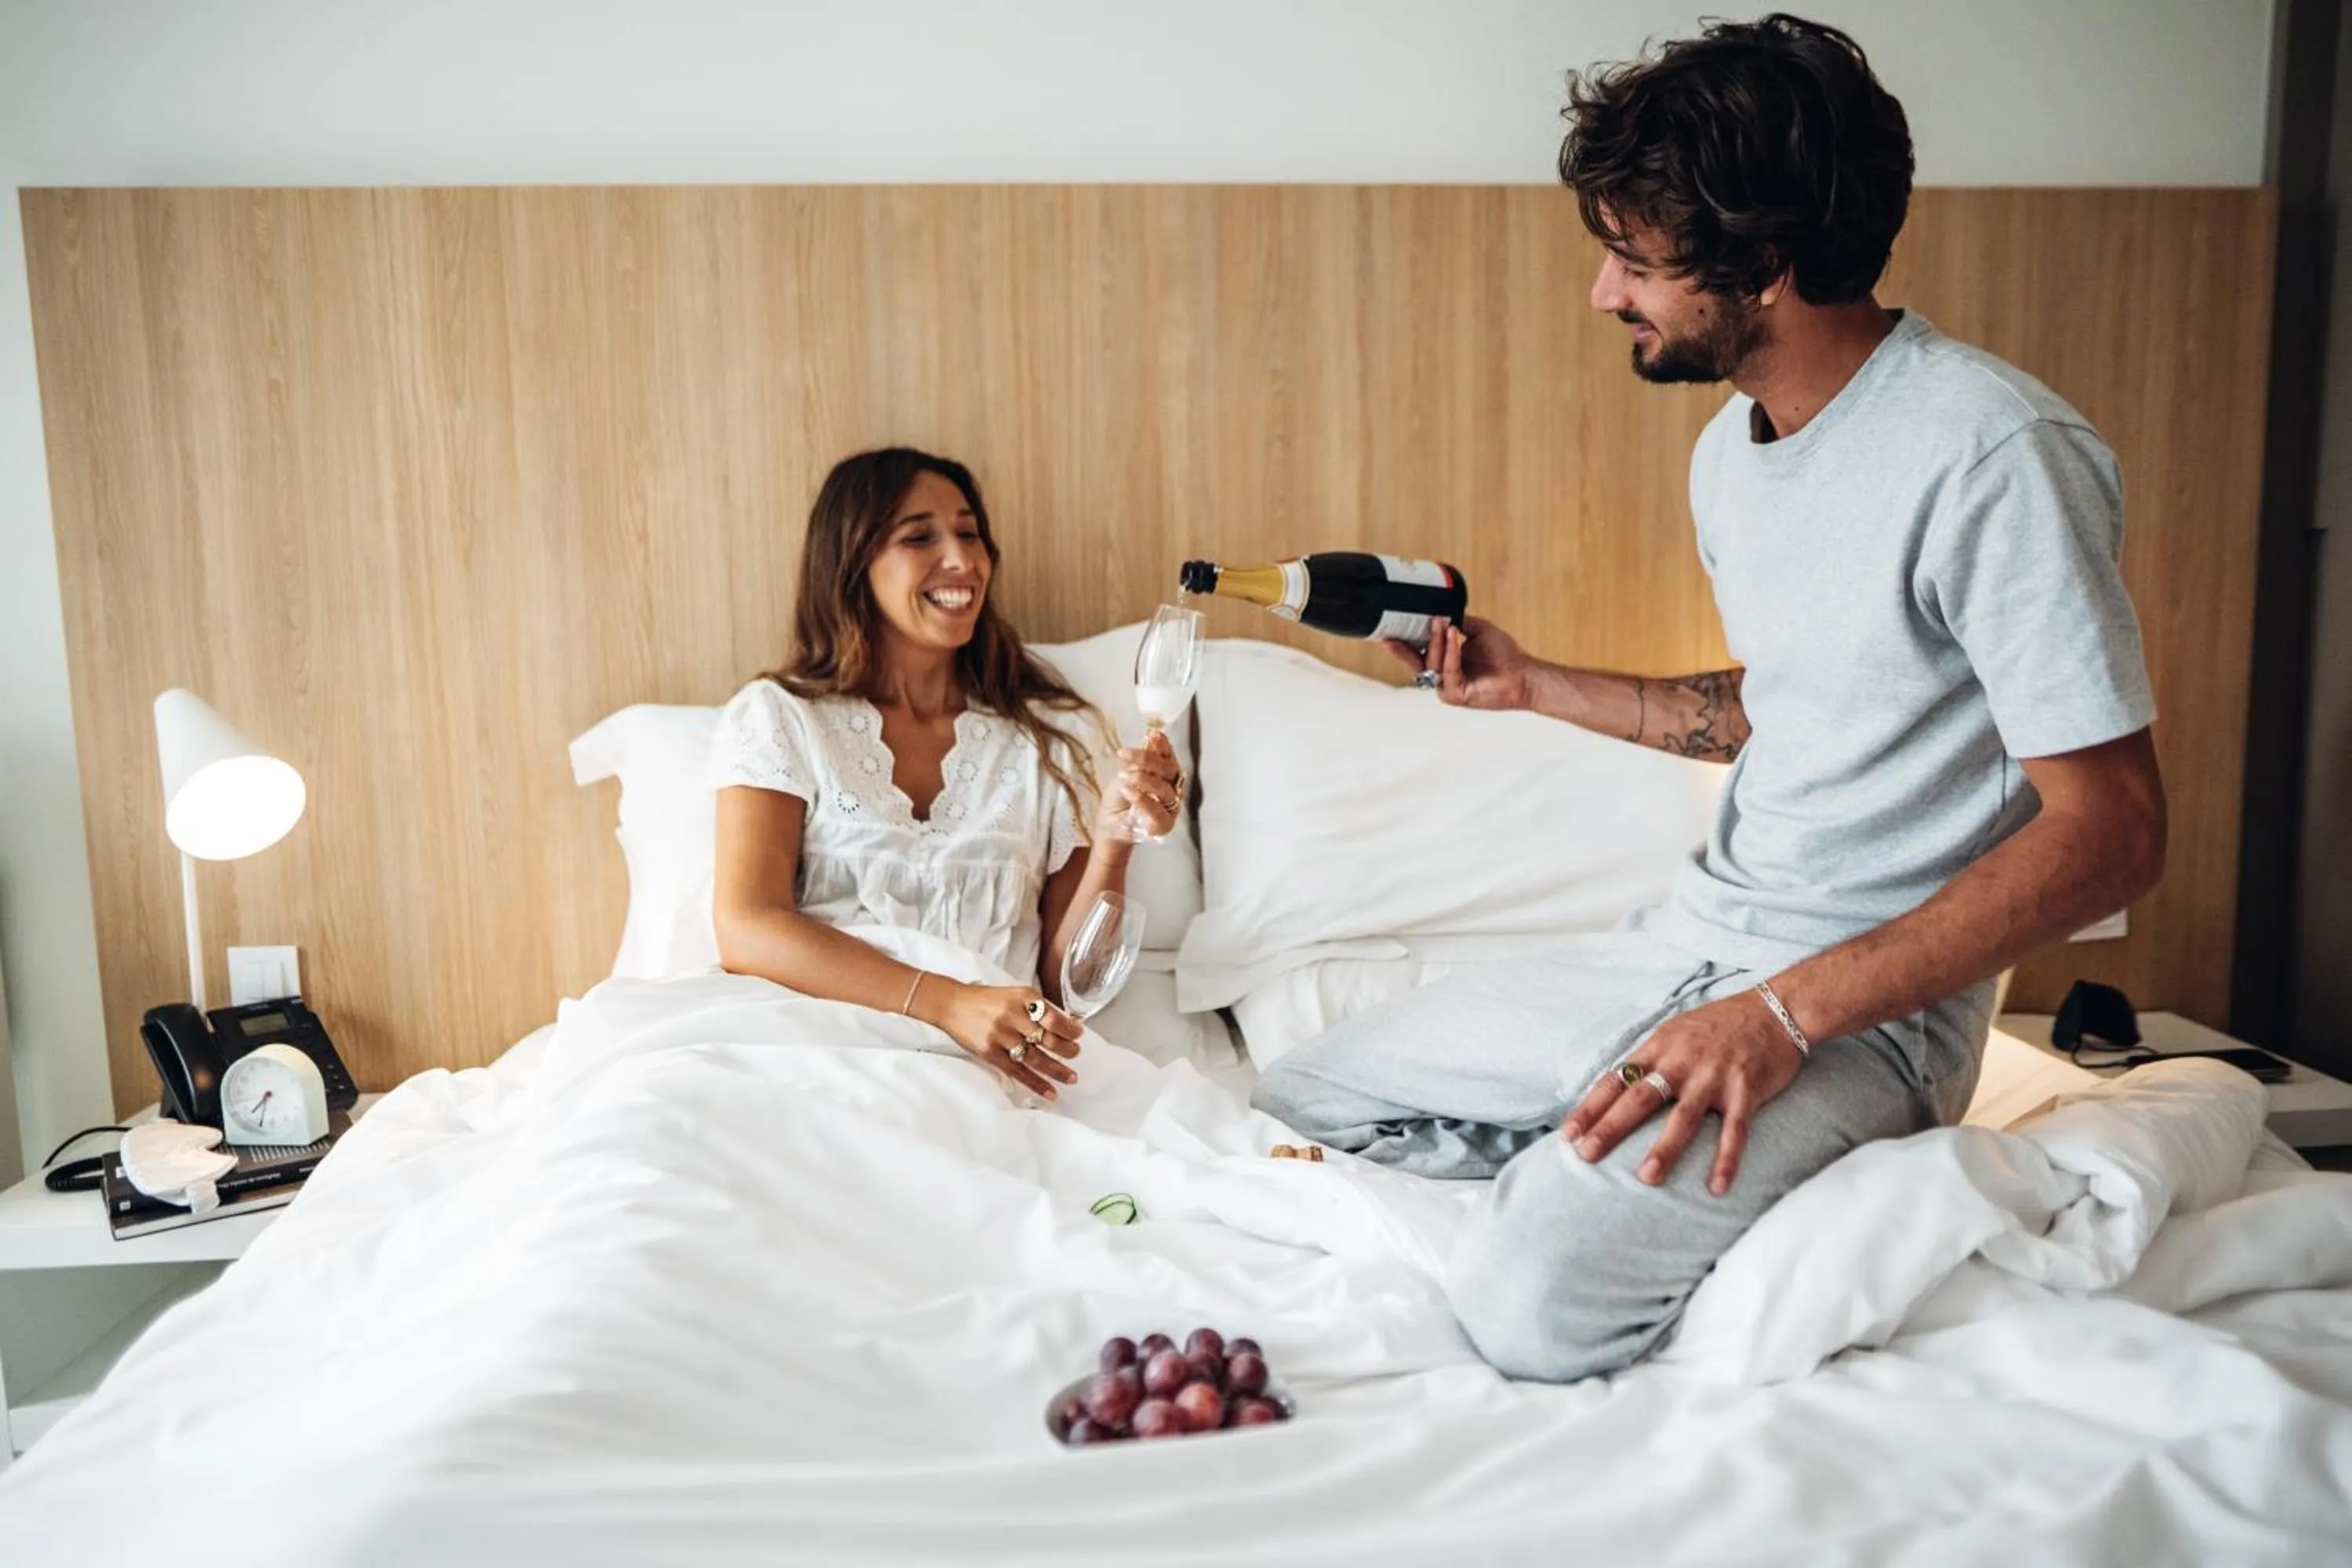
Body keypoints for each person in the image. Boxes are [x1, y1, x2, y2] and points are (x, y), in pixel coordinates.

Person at [1250, 14, 2166, 1381]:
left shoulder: (1997, 455)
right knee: (1308, 1090)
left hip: (1864, 1014)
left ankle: (1629, 1184)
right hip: (1686, 943)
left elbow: (2114, 829)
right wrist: (1538, 685)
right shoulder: (1731, 456)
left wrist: (1784, 1016)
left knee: (1529, 1301)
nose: (1603, 295)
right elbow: (1804, 706)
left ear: (1766, 266)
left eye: (1634, 260)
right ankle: (1608, 1139)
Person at [708, 447, 1183, 1103]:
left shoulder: (1053, 736)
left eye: (969, 533)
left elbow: (1067, 985)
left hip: (984, 1075)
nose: (963, 560)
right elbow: (747, 925)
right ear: (853, 561)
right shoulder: (781, 718)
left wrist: (1113, 847)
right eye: (919, 536)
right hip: (808, 1051)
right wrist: (946, 1004)